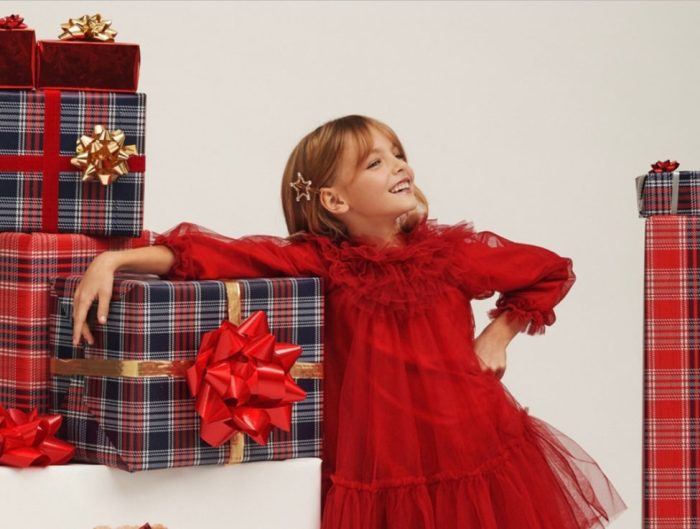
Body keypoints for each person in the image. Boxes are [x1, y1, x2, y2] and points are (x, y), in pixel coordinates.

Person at [71, 115, 628, 529]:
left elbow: (549, 271)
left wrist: (498, 334)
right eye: (375, 162)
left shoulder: (451, 255)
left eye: (397, 152)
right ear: (334, 199)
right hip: (374, 464)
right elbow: (216, 255)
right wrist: (114, 260)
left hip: (471, 443)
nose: (399, 165)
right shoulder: (321, 262)